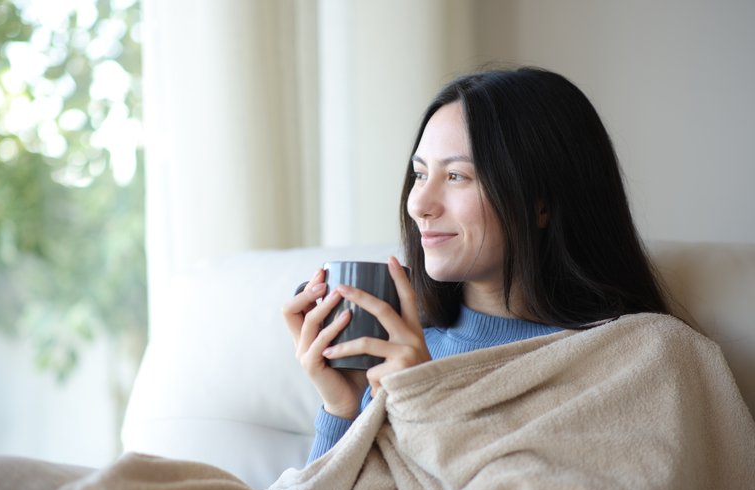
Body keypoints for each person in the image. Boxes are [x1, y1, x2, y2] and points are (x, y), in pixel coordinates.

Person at [283, 67, 673, 464]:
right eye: (420, 174)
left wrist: (429, 403)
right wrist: (344, 410)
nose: (418, 204)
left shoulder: (634, 361)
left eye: (456, 176)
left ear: (541, 204)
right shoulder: (400, 353)